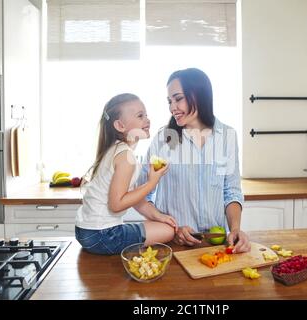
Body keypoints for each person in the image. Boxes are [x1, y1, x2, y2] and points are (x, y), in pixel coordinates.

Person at [134, 68, 251, 254]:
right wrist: (172, 228)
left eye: (178, 98)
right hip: (174, 247)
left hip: (216, 245)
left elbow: (232, 192)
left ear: (198, 95)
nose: (172, 107)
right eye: (169, 101)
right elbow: (140, 194)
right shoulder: (164, 139)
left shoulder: (227, 136)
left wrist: (235, 229)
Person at [75, 93, 177, 255]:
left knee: (161, 224)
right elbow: (116, 205)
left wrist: (159, 216)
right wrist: (152, 182)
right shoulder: (126, 156)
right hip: (103, 235)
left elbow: (133, 199)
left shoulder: (116, 150)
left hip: (87, 232)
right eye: (140, 116)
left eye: (146, 115)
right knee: (168, 231)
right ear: (120, 126)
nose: (147, 119)